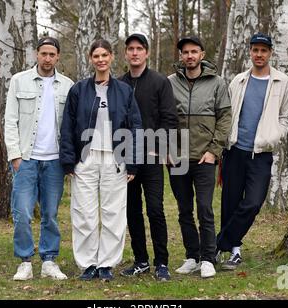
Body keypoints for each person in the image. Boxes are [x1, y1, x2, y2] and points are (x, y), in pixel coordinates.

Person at [60, 39, 142, 282]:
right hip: (86, 159)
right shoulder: (79, 90)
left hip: (115, 160)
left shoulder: (124, 91)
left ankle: (106, 263)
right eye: (96, 56)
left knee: (113, 213)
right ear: (90, 58)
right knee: (84, 213)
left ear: (112, 57)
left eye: (105, 55)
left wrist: (133, 162)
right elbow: (67, 126)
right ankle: (88, 264)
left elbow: (135, 127)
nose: (101, 59)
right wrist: (68, 160)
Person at [217, 32, 288, 270]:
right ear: (250, 51)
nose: (259, 54)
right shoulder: (238, 81)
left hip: (261, 154)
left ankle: (219, 243)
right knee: (230, 203)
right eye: (255, 50)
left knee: (252, 202)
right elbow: (227, 113)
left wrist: (275, 135)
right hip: (235, 151)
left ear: (270, 53)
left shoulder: (282, 81)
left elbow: (284, 116)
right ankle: (233, 251)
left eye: (263, 50)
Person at [4, 36, 74, 281]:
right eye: (43, 53)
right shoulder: (18, 81)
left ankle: (49, 260)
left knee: (50, 214)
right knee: (22, 212)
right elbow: (10, 120)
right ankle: (25, 261)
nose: (47, 58)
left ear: (58, 57)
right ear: (37, 54)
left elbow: (72, 126)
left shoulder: (67, 85)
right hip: (26, 159)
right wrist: (15, 155)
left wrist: (69, 159)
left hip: (54, 160)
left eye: (52, 54)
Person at [168, 36, 231, 278]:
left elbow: (225, 118)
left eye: (194, 52)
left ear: (202, 55)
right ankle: (192, 256)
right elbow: (164, 117)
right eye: (186, 52)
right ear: (181, 56)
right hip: (178, 158)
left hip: (205, 157)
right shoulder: (170, 83)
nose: (190, 56)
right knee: (184, 210)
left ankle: (208, 258)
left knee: (204, 208)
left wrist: (214, 150)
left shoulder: (217, 83)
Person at [119, 33, 178, 281]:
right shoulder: (119, 84)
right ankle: (140, 260)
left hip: (152, 157)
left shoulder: (159, 81)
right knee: (132, 211)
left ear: (146, 53)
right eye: (130, 48)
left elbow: (169, 118)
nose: (134, 52)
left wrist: (160, 148)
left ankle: (161, 263)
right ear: (125, 53)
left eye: (139, 48)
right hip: (127, 158)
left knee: (155, 209)